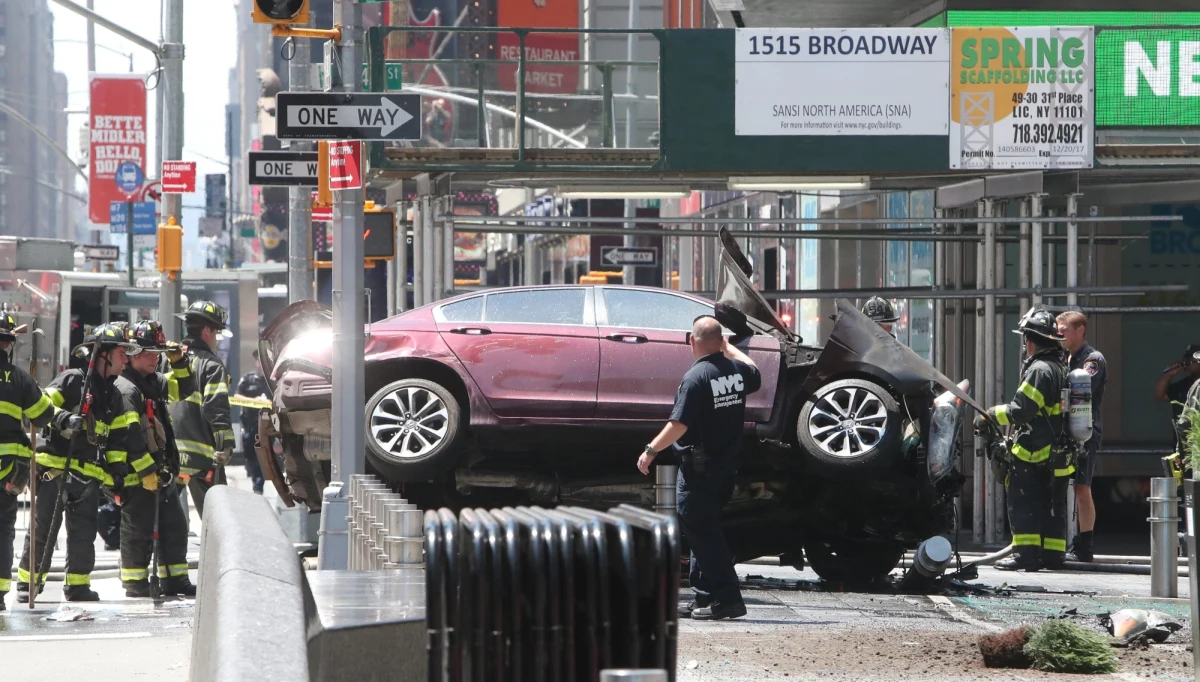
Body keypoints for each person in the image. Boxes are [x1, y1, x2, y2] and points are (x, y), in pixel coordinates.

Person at [637, 315, 761, 621]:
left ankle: (728, 599)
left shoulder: (696, 378)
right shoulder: (736, 372)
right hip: (725, 468)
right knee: (701, 531)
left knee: (703, 534)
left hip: (699, 470)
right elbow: (755, 370)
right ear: (720, 341)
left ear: (691, 341)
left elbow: (679, 424)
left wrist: (651, 450)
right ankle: (704, 598)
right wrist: (728, 349)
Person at [17, 323, 139, 602]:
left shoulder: (114, 396)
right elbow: (39, 406)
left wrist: (118, 471)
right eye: (121, 353)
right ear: (103, 355)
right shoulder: (72, 380)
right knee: (43, 528)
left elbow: (118, 440)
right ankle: (28, 584)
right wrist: (63, 419)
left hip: (89, 476)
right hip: (56, 469)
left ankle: (78, 585)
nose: (125, 359)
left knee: (84, 534)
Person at [975, 307, 1068, 572]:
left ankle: (1026, 556)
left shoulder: (1039, 370)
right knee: (1053, 507)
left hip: (1035, 453)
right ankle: (1052, 556)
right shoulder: (1060, 367)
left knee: (1024, 502)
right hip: (1060, 455)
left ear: (1029, 340)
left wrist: (989, 415)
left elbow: (1021, 410)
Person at [117, 321, 195, 597]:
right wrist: (145, 471)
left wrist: (180, 361)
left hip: (161, 471)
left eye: (159, 353)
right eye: (151, 353)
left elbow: (184, 390)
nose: (156, 358)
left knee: (174, 526)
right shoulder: (126, 388)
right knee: (138, 531)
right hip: (137, 473)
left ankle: (175, 580)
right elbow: (130, 435)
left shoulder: (154, 382)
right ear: (133, 353)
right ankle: (135, 583)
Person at [0, 314, 54, 610]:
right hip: (8, 472)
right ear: (8, 344)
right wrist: (35, 386)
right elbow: (44, 415)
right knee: (2, 531)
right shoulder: (19, 378)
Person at [166, 300, 235, 518]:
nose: (216, 340)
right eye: (216, 333)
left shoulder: (167, 359)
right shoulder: (211, 365)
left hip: (169, 456)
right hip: (201, 459)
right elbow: (217, 409)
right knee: (217, 520)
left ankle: (158, 554)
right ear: (206, 331)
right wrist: (226, 446)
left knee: (161, 520)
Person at [1056, 311, 1106, 563]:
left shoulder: (1092, 361)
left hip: (1084, 432)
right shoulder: (1062, 357)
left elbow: (1080, 389)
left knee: (1082, 488)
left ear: (1080, 331)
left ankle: (1085, 544)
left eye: (1063, 330)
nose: (1059, 334)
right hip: (1063, 432)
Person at [234, 350, 269, 495]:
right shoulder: (248, 379)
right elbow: (237, 395)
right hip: (250, 424)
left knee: (261, 455)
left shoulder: (271, 380)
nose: (260, 363)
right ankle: (255, 478)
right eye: (258, 360)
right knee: (250, 455)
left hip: (267, 426)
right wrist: (253, 401)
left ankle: (258, 485)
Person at [1155, 344, 1200, 456]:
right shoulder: (1183, 385)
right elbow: (1160, 395)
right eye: (1186, 360)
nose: (1187, 364)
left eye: (1191, 361)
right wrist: (1169, 375)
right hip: (1184, 446)